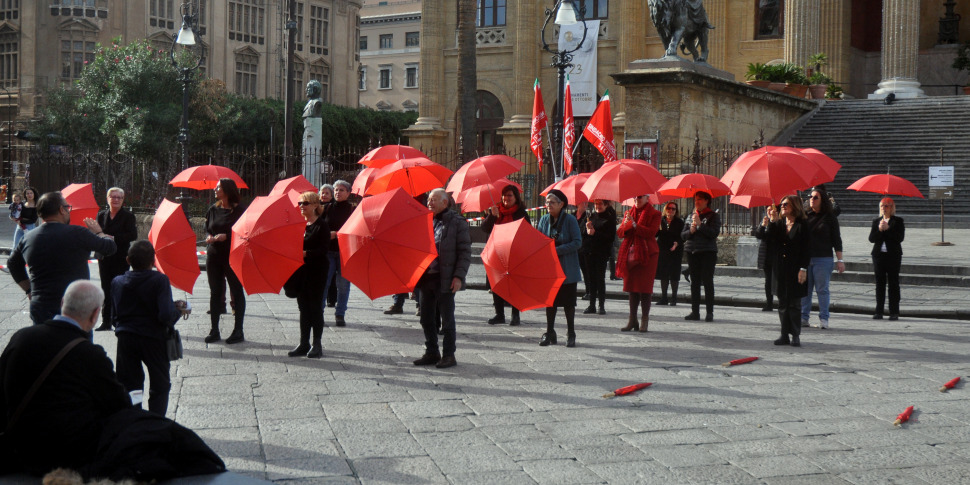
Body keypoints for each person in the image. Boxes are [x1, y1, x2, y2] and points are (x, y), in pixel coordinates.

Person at [0, 280, 225, 480]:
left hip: (19, 445)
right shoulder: (89, 354)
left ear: (62, 303)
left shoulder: (21, 338)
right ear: (95, 314)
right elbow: (118, 406)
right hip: (64, 453)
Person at [7, 191, 116, 325]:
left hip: (42, 305)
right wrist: (99, 232)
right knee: (76, 343)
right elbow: (109, 248)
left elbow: (12, 263)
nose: (69, 211)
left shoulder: (28, 237)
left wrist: (29, 289)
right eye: (67, 208)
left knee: (44, 344)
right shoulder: (78, 233)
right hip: (75, 306)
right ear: (61, 210)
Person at [111, 240, 188, 415]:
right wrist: (178, 310)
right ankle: (156, 419)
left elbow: (114, 317)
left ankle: (134, 415)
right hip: (153, 339)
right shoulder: (159, 280)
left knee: (131, 383)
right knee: (160, 383)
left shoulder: (117, 281)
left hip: (126, 338)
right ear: (153, 261)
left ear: (128, 260)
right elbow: (165, 316)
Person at [413, 188, 471, 369]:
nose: (429, 203)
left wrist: (458, 277)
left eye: (434, 200)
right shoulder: (425, 221)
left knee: (447, 320)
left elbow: (464, 253)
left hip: (444, 278)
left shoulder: (457, 222)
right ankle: (432, 351)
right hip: (425, 278)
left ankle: (448, 355)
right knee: (426, 318)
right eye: (429, 199)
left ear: (445, 203)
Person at [536, 190, 582, 347]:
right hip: (550, 269)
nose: (548, 205)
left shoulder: (570, 220)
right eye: (547, 202)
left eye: (552, 202)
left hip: (567, 269)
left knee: (568, 304)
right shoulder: (543, 220)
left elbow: (577, 242)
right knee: (550, 303)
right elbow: (539, 240)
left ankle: (571, 333)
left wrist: (556, 249)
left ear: (561, 204)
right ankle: (549, 332)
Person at [287, 191, 330, 358]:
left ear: (314, 205)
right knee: (303, 308)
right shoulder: (299, 225)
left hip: (317, 271)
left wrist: (305, 253)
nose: (301, 207)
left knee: (315, 307)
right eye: (299, 204)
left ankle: (317, 344)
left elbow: (323, 249)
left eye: (305, 203)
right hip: (301, 271)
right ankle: (304, 343)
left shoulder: (322, 225)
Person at [204, 178, 246, 344]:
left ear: (228, 190)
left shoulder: (239, 210)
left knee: (236, 291)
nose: (215, 189)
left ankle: (238, 330)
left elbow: (245, 232)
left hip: (233, 255)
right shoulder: (213, 209)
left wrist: (227, 236)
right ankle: (214, 330)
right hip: (213, 255)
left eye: (219, 187)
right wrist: (209, 236)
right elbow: (207, 227)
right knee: (215, 292)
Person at [481, 184, 530, 325]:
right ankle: (499, 314)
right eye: (504, 195)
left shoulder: (520, 213)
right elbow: (484, 228)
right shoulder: (496, 211)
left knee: (514, 285)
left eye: (509, 195)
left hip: (515, 253)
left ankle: (515, 315)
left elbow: (526, 232)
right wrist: (491, 216)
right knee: (497, 283)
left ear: (516, 198)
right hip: (497, 252)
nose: (506, 198)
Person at [766, 195, 810, 347]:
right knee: (783, 303)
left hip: (796, 268)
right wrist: (771, 221)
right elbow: (769, 239)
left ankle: (795, 335)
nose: (782, 207)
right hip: (780, 269)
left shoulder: (802, 225)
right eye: (781, 204)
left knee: (794, 303)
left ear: (795, 207)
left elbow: (806, 249)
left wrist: (803, 268)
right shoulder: (778, 224)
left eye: (786, 204)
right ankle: (784, 334)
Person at [95, 187, 138, 332]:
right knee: (105, 288)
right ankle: (106, 320)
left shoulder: (128, 216)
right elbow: (97, 232)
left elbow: (132, 235)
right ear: (108, 199)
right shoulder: (101, 215)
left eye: (119, 197)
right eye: (113, 197)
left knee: (119, 288)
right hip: (104, 257)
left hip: (120, 257)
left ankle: (118, 320)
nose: (116, 200)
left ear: (123, 200)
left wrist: (114, 238)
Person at [801, 186, 844, 329]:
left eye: (815, 197)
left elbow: (836, 240)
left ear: (822, 199)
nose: (811, 200)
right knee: (805, 289)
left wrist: (840, 260)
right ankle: (803, 317)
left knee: (822, 289)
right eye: (810, 197)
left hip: (823, 258)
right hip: (806, 258)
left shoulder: (830, 217)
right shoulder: (805, 216)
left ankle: (824, 318)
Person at [617, 194, 661, 332]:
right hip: (631, 253)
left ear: (648, 198)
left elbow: (651, 233)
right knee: (632, 287)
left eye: (640, 197)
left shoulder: (655, 213)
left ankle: (645, 319)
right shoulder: (629, 213)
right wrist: (625, 226)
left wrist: (635, 225)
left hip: (647, 254)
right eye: (634, 197)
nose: (636, 199)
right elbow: (621, 234)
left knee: (645, 288)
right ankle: (632, 319)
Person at [681, 191, 721, 322]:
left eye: (699, 200)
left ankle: (709, 312)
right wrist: (691, 230)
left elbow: (713, 233)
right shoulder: (690, 216)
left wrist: (700, 225)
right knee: (695, 283)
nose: (696, 202)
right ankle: (695, 311)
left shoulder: (713, 215)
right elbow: (683, 235)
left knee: (708, 282)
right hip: (692, 251)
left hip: (707, 252)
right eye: (695, 200)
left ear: (706, 201)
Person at [323, 179, 355, 326]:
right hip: (328, 251)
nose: (338, 192)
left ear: (348, 193)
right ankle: (319, 313)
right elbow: (319, 228)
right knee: (324, 283)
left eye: (341, 190)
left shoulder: (352, 210)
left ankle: (340, 314)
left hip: (345, 253)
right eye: (336, 190)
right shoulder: (327, 208)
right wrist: (329, 234)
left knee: (343, 286)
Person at [869, 197, 905, 321]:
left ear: (892, 208)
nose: (884, 208)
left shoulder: (898, 221)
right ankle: (879, 311)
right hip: (879, 256)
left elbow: (899, 238)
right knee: (880, 283)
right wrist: (879, 230)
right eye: (882, 206)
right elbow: (872, 239)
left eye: (887, 206)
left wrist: (888, 229)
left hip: (893, 256)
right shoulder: (876, 221)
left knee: (893, 283)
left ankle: (894, 311)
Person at [582, 199, 616, 315]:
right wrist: (586, 229)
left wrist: (595, 233)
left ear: (606, 205)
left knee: (600, 279)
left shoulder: (609, 218)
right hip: (589, 252)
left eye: (600, 204)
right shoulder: (591, 216)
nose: (598, 206)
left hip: (601, 252)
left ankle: (601, 305)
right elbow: (584, 234)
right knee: (591, 279)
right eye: (596, 204)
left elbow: (610, 238)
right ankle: (591, 305)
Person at [656, 201, 685, 306]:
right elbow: (656, 234)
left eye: (673, 209)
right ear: (665, 209)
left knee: (674, 274)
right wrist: (656, 226)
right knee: (663, 273)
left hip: (675, 250)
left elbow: (682, 237)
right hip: (663, 249)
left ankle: (674, 298)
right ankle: (664, 297)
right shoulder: (661, 221)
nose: (671, 210)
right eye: (669, 208)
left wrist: (677, 243)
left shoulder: (679, 222)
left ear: (676, 211)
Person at [754, 204, 779, 311]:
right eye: (768, 210)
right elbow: (759, 235)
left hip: (777, 254)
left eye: (771, 210)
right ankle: (769, 303)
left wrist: (773, 222)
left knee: (778, 280)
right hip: (766, 255)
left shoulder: (778, 222)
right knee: (768, 281)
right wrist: (762, 226)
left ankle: (781, 301)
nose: (769, 212)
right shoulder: (765, 221)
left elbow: (775, 235)